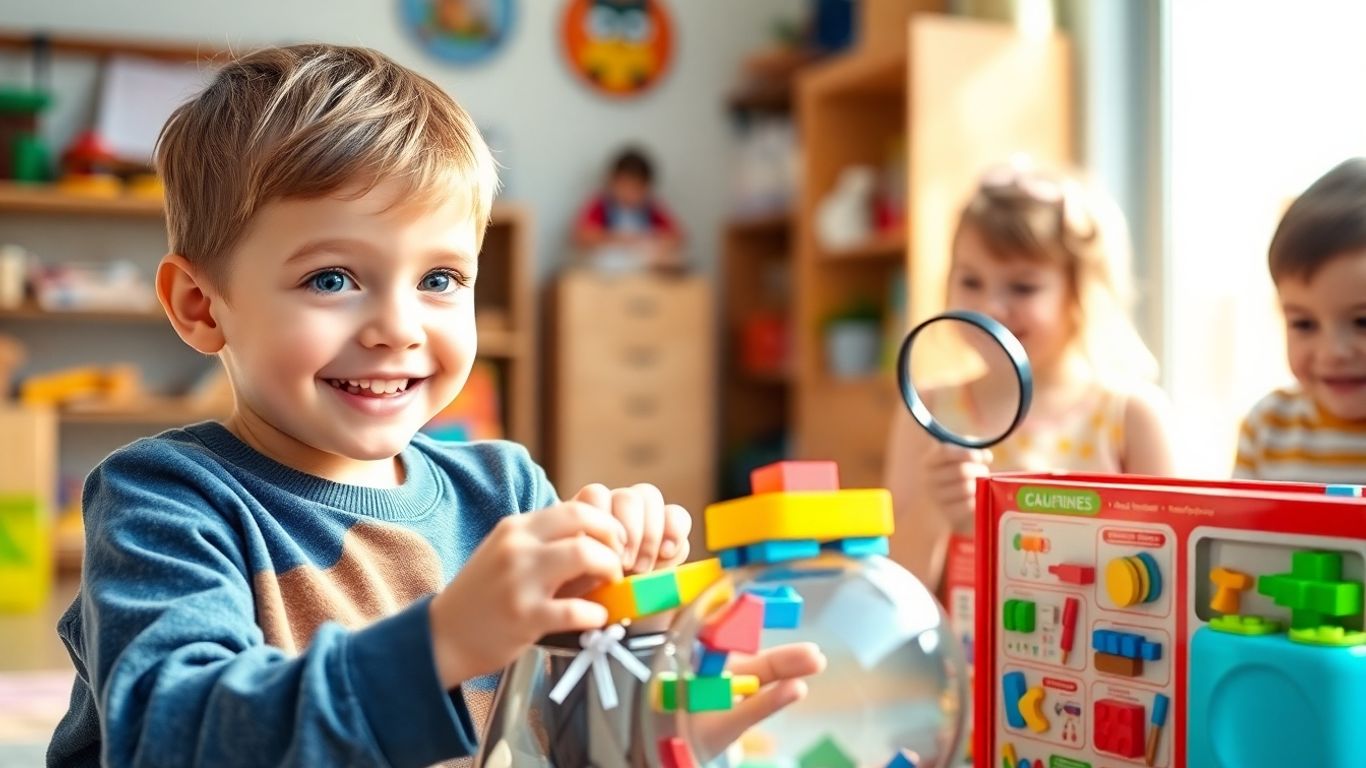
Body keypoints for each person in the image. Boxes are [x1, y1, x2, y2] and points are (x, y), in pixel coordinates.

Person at [48, 44, 819, 767]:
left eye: (441, 280)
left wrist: (656, 718)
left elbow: (555, 733)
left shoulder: (506, 495)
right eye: (331, 279)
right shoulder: (165, 499)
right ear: (201, 306)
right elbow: (169, 735)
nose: (398, 329)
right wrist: (442, 643)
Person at [885, 159, 1174, 594]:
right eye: (970, 280)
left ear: (1080, 291)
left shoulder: (1131, 416)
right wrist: (934, 507)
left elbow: (1172, 568)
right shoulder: (925, 413)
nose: (991, 307)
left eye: (1022, 287)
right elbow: (898, 591)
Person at [1235, 158, 1366, 483]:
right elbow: (1237, 532)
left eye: (1363, 321)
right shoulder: (1268, 427)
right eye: (1304, 324)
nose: (1333, 352)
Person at [572, 146, 684, 269]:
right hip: (609, 272)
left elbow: (677, 237)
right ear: (611, 181)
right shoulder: (601, 206)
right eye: (624, 186)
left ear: (647, 188)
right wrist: (618, 239)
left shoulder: (652, 209)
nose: (629, 194)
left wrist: (649, 241)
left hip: (644, 270)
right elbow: (581, 235)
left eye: (636, 189)